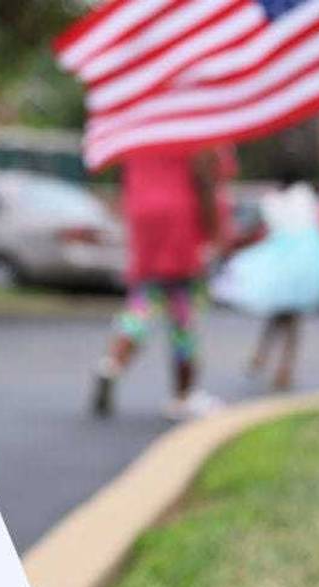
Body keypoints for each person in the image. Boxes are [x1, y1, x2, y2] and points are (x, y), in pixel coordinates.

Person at [91, 146, 235, 420]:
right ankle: (183, 395)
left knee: (142, 304)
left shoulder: (146, 125)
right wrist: (215, 236)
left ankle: (111, 363)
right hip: (182, 222)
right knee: (183, 316)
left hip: (144, 220)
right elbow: (206, 179)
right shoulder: (196, 123)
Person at [211, 170, 319, 390]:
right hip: (298, 264)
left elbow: (254, 227)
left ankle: (269, 361)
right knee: (287, 318)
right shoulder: (301, 196)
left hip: (289, 265)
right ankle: (277, 365)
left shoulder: (278, 199)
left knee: (283, 316)